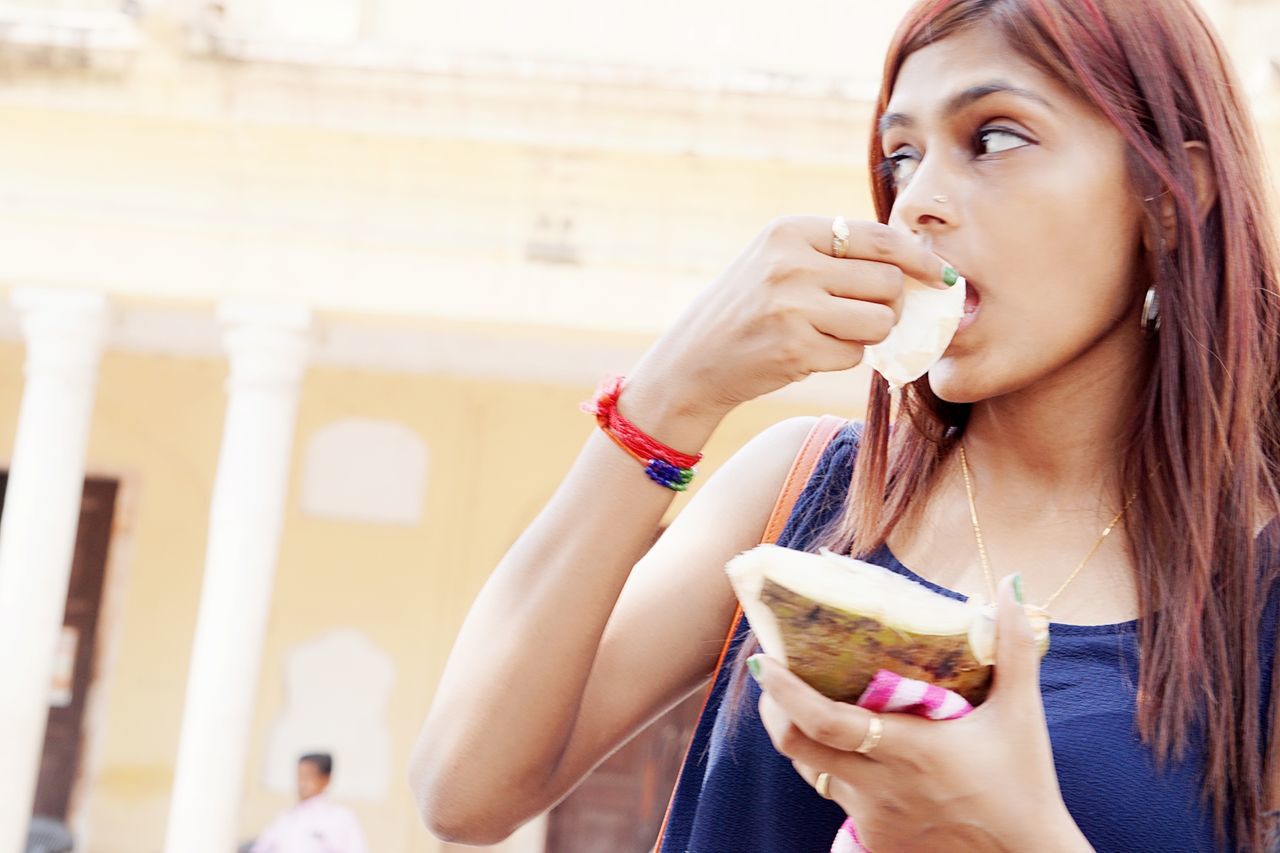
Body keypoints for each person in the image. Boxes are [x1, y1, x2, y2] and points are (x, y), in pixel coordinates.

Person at [409, 0, 1280, 849]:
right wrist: (669, 395)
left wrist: (1014, 832)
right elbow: (465, 790)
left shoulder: (1261, 593)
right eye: (901, 156)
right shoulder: (803, 489)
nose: (917, 203)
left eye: (996, 136)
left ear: (1171, 196)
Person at [251, 753, 368, 853]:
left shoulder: (341, 819)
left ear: (326, 779)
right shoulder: (286, 817)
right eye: (299, 776)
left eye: (307, 777)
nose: (301, 783)